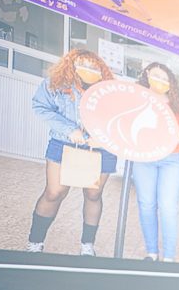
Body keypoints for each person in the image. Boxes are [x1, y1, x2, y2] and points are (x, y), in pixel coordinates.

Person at [26, 49, 117, 256]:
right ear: (71, 64)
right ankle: (35, 242)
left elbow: (120, 121)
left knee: (93, 195)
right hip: (64, 143)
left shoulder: (110, 91)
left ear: (101, 69)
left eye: (93, 66)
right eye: (83, 64)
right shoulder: (56, 83)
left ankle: (87, 246)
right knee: (54, 193)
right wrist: (70, 130)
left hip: (100, 149)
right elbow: (40, 106)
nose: (88, 69)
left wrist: (103, 137)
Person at [132, 62, 179, 262]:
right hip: (144, 159)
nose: (160, 81)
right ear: (147, 74)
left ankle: (169, 257)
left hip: (172, 160)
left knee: (168, 206)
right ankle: (152, 253)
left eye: (165, 79)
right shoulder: (136, 98)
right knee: (146, 204)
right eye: (157, 75)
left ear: (171, 83)